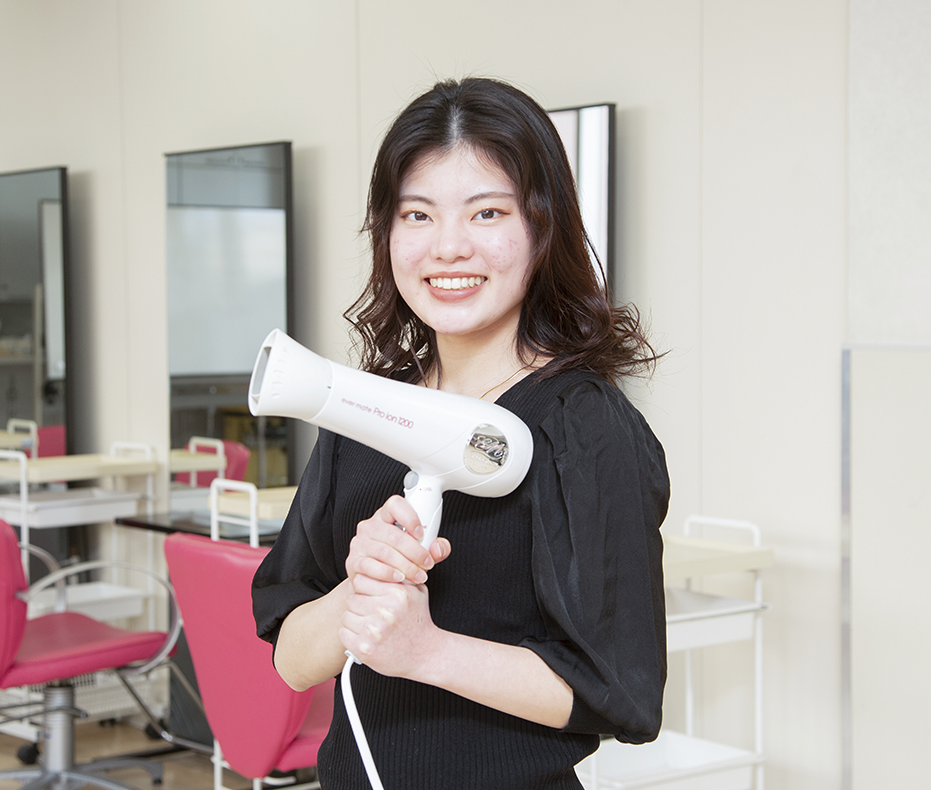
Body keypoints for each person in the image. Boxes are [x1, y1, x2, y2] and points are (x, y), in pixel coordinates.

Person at [251, 76, 670, 789]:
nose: (447, 248)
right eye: (417, 215)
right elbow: (293, 660)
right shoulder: (367, 412)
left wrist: (425, 651)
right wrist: (362, 585)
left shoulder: (582, 426)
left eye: (486, 213)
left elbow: (620, 694)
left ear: (542, 228)